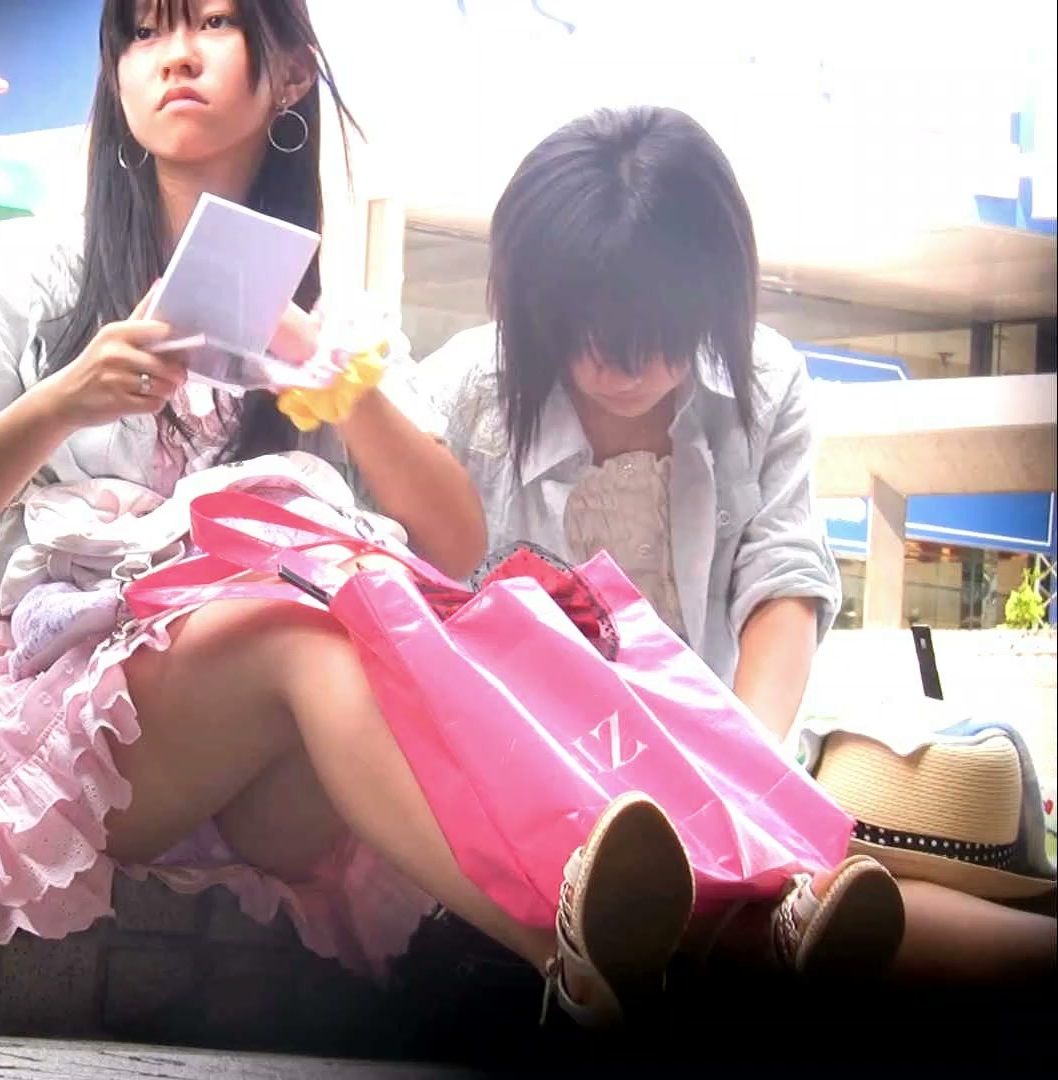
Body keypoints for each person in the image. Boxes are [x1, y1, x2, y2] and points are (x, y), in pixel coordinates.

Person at [0, 0, 835, 1029]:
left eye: (210, 24)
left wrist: (331, 374)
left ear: (292, 73)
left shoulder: (339, 317)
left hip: (267, 783)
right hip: (78, 728)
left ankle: (684, 915)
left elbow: (457, 543)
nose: (175, 58)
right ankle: (572, 948)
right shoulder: (33, 270)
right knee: (308, 631)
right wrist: (66, 398)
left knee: (370, 609)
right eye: (144, 35)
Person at [388, 104, 1055, 988]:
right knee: (774, 901)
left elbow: (783, 582)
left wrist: (737, 771)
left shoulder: (764, 383)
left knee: (782, 872)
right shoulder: (466, 393)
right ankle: (770, 930)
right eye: (588, 337)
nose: (623, 369)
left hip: (714, 752)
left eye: (656, 336)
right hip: (522, 767)